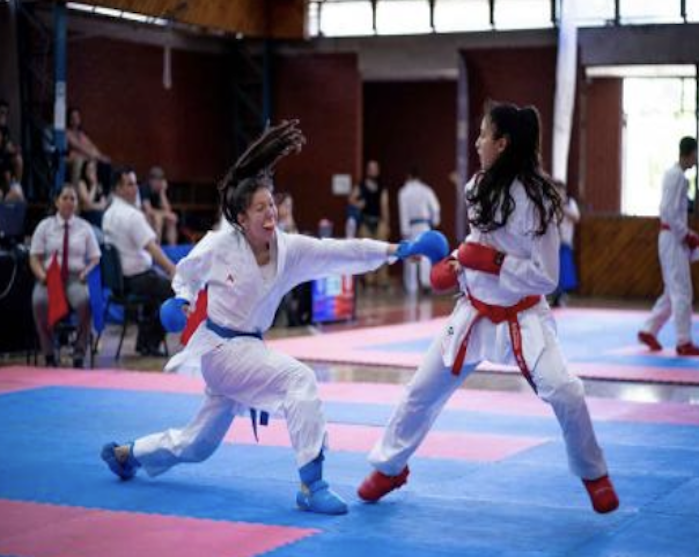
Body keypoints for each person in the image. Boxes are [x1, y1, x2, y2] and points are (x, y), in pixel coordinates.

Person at [99, 120, 418, 515]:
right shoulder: (219, 245)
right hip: (220, 349)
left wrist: (395, 250)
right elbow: (186, 273)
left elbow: (341, 251)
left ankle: (129, 454)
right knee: (298, 379)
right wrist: (178, 301)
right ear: (240, 217)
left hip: (247, 351)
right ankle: (311, 483)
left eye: (273, 206)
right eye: (261, 208)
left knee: (197, 445)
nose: (271, 214)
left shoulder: (290, 249)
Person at [357, 102, 620, 515]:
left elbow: (547, 277)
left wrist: (495, 263)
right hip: (475, 313)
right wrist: (458, 265)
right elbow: (477, 242)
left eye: (483, 135)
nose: (477, 142)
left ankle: (594, 473)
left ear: (502, 143)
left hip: (524, 315)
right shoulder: (478, 186)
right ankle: (390, 466)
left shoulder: (542, 201)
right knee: (419, 391)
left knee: (566, 390)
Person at [102, 167, 176, 356]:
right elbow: (152, 248)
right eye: (129, 184)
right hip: (137, 279)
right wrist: (172, 270)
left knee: (156, 289)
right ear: (117, 188)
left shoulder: (108, 214)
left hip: (120, 282)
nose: (135, 188)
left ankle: (144, 343)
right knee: (177, 291)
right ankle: (149, 342)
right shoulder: (131, 215)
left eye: (135, 183)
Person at [638, 136, 699, 356]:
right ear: (689, 153)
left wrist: (687, 235)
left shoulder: (674, 175)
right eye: (696, 154)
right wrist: (687, 235)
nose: (697, 159)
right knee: (682, 290)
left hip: (671, 236)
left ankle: (649, 329)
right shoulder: (678, 177)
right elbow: (669, 211)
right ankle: (683, 341)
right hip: (672, 237)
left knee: (672, 289)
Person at [29, 183, 101, 368]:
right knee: (39, 302)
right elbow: (34, 258)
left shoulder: (85, 227)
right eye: (65, 198)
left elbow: (95, 258)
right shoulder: (45, 226)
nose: (69, 202)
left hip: (76, 278)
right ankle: (49, 354)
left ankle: (78, 354)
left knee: (86, 301)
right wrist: (42, 276)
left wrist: (87, 271)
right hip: (49, 279)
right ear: (56, 201)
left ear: (77, 203)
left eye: (73, 198)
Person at [398, 166, 441, 295]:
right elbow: (436, 208)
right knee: (425, 256)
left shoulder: (404, 192)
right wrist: (435, 222)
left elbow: (403, 212)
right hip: (425, 225)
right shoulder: (426, 190)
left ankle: (412, 287)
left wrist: (404, 230)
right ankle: (426, 283)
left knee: (410, 255)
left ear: (409, 176)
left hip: (411, 227)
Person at [348, 160, 391, 288]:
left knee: (383, 251)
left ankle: (382, 280)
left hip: (379, 222)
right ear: (367, 170)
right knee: (366, 251)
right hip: (365, 222)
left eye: (375, 168)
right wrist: (358, 204)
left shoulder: (382, 187)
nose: (373, 171)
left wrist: (387, 224)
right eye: (371, 168)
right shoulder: (360, 186)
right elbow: (350, 199)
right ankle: (368, 280)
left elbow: (384, 206)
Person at [550, 180, 580, 307]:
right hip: (552, 243)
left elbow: (576, 217)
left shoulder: (570, 203)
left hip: (565, 242)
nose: (558, 192)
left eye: (560, 190)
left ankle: (561, 295)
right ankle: (553, 295)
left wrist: (562, 207)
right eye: (556, 190)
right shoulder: (550, 204)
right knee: (552, 270)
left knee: (564, 271)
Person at [66, 107, 111, 187]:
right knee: (91, 160)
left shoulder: (81, 134)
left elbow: (91, 146)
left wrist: (100, 156)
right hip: (74, 159)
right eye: (73, 117)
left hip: (86, 157)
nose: (76, 119)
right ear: (69, 119)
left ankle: (103, 190)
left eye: (77, 117)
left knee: (105, 163)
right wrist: (96, 156)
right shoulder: (67, 133)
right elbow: (79, 147)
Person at [140, 166, 179, 246]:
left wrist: (162, 193)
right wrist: (161, 214)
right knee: (158, 218)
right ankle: (157, 247)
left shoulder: (162, 190)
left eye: (160, 180)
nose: (159, 183)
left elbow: (168, 210)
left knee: (172, 219)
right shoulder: (144, 188)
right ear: (151, 180)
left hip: (157, 214)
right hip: (144, 215)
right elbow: (148, 210)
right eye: (156, 180)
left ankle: (172, 247)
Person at [0, 100, 24, 202]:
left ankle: (16, 186)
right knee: (6, 175)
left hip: (4, 160)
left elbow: (8, 146)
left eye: (5, 113)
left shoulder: (5, 129)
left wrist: (15, 149)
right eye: (1, 113)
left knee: (18, 159)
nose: (3, 116)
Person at [76, 159, 107, 228]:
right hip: (87, 219)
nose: (91, 172)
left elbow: (103, 205)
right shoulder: (82, 183)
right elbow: (87, 202)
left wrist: (92, 206)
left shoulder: (99, 185)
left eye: (93, 169)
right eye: (89, 169)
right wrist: (93, 185)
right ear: (85, 170)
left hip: (98, 219)